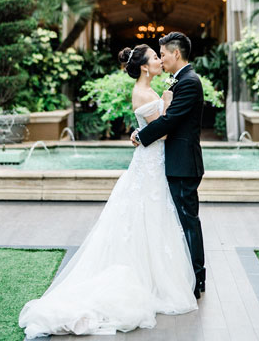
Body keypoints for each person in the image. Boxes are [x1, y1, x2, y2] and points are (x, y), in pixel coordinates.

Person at [19, 43, 197, 339]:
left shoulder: (147, 90)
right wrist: (165, 104)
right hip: (150, 165)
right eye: (155, 57)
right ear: (143, 66)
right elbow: (162, 131)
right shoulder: (143, 92)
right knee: (148, 217)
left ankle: (155, 275)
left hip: (151, 164)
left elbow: (150, 130)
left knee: (152, 219)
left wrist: (143, 129)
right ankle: (150, 281)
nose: (159, 60)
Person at [130, 31, 206, 297]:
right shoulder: (180, 81)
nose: (161, 60)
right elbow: (160, 117)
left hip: (183, 163)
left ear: (176, 53)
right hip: (174, 162)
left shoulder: (189, 82)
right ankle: (187, 276)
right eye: (157, 56)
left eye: (162, 54)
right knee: (181, 221)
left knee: (188, 221)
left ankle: (197, 279)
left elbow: (169, 121)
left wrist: (140, 135)